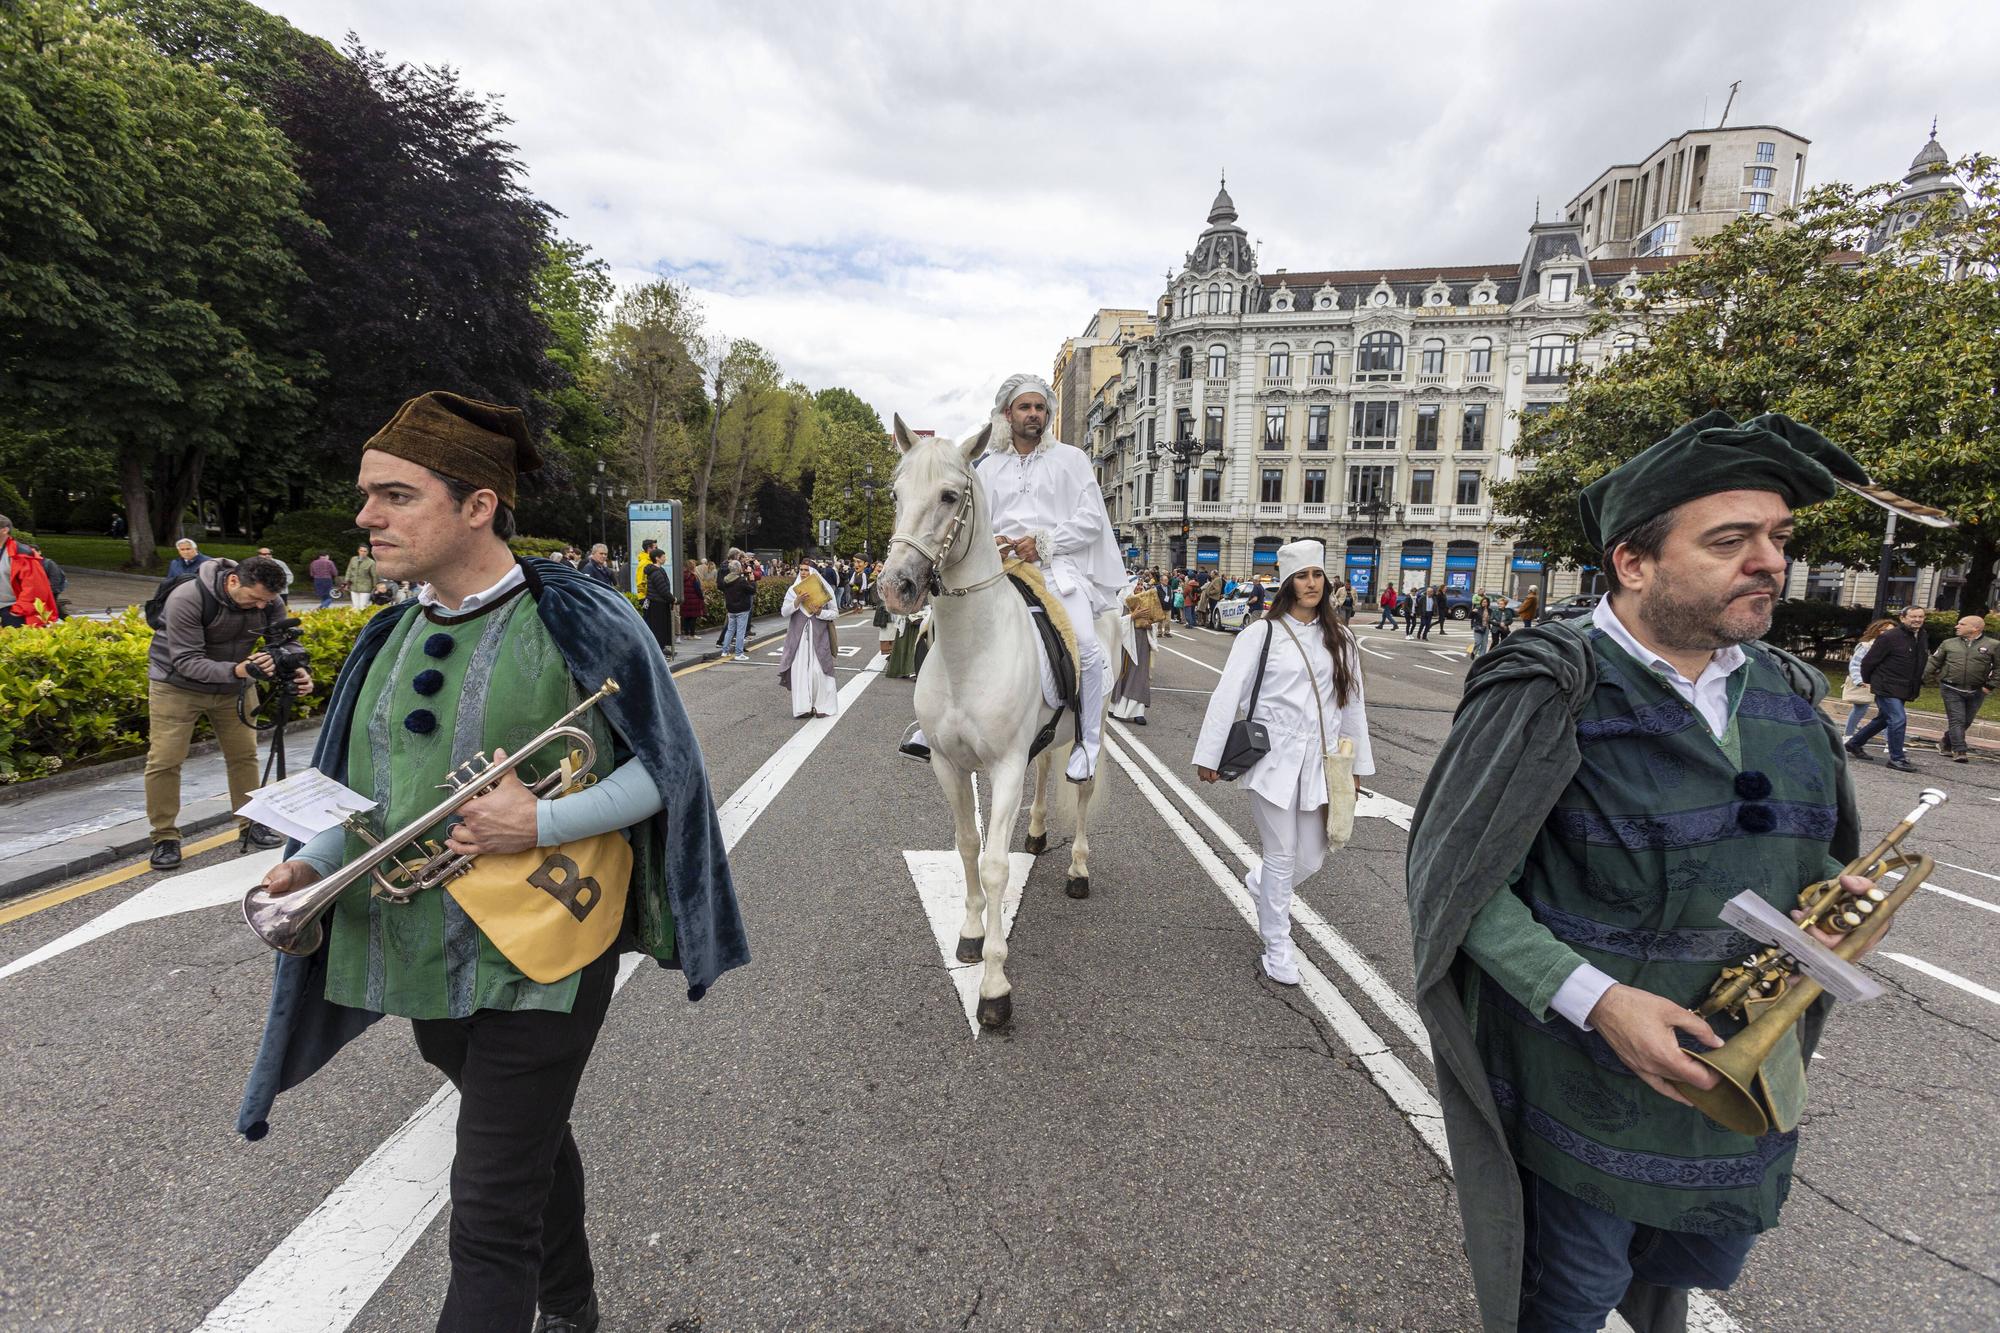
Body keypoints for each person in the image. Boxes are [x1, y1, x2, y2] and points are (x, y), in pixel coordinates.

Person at [239, 390, 745, 1333]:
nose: (365, 518)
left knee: (485, 1212)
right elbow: (359, 786)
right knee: (524, 1145)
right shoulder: (390, 634)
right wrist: (309, 862)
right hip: (424, 949)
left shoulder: (585, 618)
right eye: (366, 495)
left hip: (547, 946)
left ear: (477, 505)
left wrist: (539, 823)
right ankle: (575, 1306)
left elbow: (667, 771)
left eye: (395, 496)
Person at [1407, 411, 1881, 1333]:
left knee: (1684, 1272)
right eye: (1730, 539)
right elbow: (1453, 880)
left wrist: (1837, 899)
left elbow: (1805, 851)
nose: (1769, 561)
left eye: (1778, 537)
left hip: (1732, 1088)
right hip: (1579, 1091)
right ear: (1633, 562)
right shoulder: (1552, 684)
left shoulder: (1785, 691)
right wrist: (1600, 1001)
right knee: (1567, 1300)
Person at [1196, 540, 1372, 985]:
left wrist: (1353, 771)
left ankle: (1261, 888)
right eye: (1302, 576)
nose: (1311, 583)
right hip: (1273, 756)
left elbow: (1352, 708)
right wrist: (1210, 753)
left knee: (1311, 857)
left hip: (1321, 760)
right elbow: (1228, 693)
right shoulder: (1262, 633)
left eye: (1317, 574)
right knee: (1280, 855)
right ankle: (1278, 943)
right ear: (1288, 582)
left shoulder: (1342, 638)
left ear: (1326, 579)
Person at [143, 554, 309, 869]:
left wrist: (296, 666)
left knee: (244, 756)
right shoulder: (189, 597)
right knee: (165, 760)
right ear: (233, 581)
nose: (262, 607)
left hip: (236, 684)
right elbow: (187, 660)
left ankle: (251, 823)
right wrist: (241, 670)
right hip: (177, 686)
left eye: (267, 601)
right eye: (255, 599)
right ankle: (164, 837)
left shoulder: (268, 601)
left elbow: (284, 641)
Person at [1847, 603, 1929, 772]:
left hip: (1905, 686)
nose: (1917, 620)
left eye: (1920, 617)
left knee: (1884, 718)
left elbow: (1920, 660)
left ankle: (1854, 743)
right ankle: (1896, 759)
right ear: (1902, 618)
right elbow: (1869, 661)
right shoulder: (1890, 636)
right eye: (1913, 616)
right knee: (1898, 719)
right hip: (1886, 685)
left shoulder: (1922, 635)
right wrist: (1869, 681)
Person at [1925, 613, 1996, 762]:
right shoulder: (1948, 643)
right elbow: (1934, 662)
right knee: (1957, 719)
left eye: (1962, 624)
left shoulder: (1993, 645)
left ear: (1975, 628)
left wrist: (1990, 686)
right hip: (1950, 687)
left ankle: (1946, 742)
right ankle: (1959, 750)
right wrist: (1921, 678)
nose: (1957, 626)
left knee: (1966, 721)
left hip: (1977, 690)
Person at [778, 563, 839, 718]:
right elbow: (784, 612)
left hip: (819, 638)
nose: (804, 573)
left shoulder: (825, 590)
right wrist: (796, 602)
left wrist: (820, 612)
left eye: (807, 570)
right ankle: (803, 708)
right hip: (798, 641)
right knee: (800, 672)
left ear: (813, 572)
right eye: (801, 570)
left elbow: (834, 613)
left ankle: (822, 707)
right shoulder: (793, 590)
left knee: (819, 671)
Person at [1110, 575, 1156, 725]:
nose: (1139, 588)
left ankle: (1138, 712)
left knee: (1141, 676)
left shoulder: (1146, 603)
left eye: (1141, 586)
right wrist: (1132, 616)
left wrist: (1150, 626)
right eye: (1136, 585)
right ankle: (1115, 708)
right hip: (1125, 646)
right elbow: (1114, 624)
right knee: (1123, 674)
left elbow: (1154, 622)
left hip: (1142, 645)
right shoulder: (1120, 604)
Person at [0, 515, 60, 628]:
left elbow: (35, 589)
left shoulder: (23, 555)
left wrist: (16, 612)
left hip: (12, 612)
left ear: (5, 530)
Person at [1841, 618, 1893, 739]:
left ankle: (1890, 741)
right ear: (1877, 631)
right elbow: (1855, 664)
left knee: (1887, 712)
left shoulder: (1894, 646)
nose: (1888, 633)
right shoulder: (1866, 646)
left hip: (1884, 683)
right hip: (1866, 682)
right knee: (1860, 709)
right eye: (1884, 630)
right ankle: (1848, 735)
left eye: (1891, 631)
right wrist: (1859, 681)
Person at [642, 548, 676, 658]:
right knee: (658, 629)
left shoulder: (657, 571)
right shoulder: (657, 572)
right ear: (657, 558)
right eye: (663, 556)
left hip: (656, 603)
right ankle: (658, 651)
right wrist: (672, 599)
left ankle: (660, 649)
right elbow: (662, 590)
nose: (665, 558)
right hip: (658, 604)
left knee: (657, 628)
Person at [718, 558, 755, 660]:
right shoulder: (741, 581)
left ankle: (725, 651)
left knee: (730, 630)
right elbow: (752, 591)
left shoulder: (725, 580)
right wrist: (752, 581)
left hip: (731, 608)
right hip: (742, 608)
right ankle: (739, 653)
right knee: (740, 631)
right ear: (738, 569)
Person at [344, 544, 378, 611]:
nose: (362, 552)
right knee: (355, 607)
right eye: (361, 550)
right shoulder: (353, 559)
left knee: (363, 607)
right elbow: (349, 571)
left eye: (365, 551)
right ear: (358, 551)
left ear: (368, 552)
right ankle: (356, 620)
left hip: (365, 588)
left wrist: (375, 587)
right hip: (354, 586)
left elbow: (374, 576)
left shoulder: (371, 562)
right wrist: (346, 582)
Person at [680, 561, 706, 637]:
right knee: (693, 618)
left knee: (686, 617)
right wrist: (701, 596)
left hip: (685, 599)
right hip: (694, 599)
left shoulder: (681, 576)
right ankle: (692, 634)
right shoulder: (693, 576)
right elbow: (697, 589)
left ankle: (686, 634)